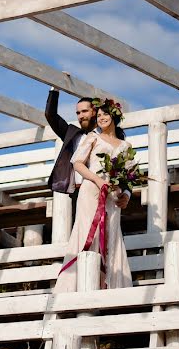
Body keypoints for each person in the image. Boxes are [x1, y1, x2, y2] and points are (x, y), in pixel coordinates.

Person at [53, 99, 133, 293]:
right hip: (91, 192)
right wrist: (98, 181)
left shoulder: (126, 145)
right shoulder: (92, 137)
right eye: (99, 116)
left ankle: (110, 289)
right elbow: (78, 163)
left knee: (111, 235)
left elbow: (128, 177)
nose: (102, 118)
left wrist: (127, 195)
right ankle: (77, 287)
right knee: (88, 231)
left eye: (105, 114)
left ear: (115, 115)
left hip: (113, 198)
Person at [44, 87, 96, 200]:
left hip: (99, 189)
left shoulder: (105, 136)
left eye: (85, 111)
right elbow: (50, 115)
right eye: (78, 113)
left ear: (95, 111)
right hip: (78, 193)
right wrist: (55, 89)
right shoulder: (72, 134)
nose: (81, 116)